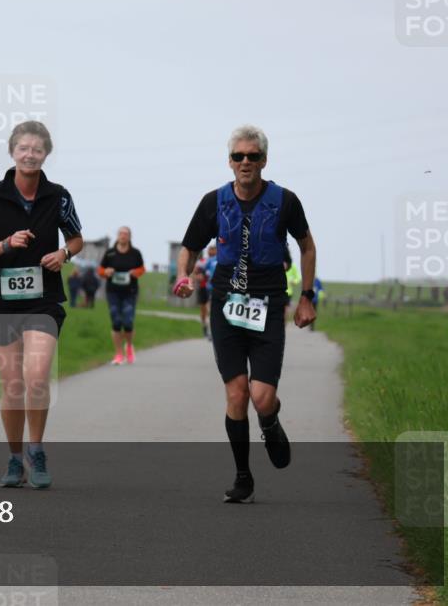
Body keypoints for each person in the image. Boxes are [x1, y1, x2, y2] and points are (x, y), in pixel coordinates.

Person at [172, 124, 316, 504]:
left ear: (264, 160)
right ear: (230, 162)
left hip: (268, 305)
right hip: (226, 305)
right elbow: (188, 246)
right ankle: (243, 477)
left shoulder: (285, 201)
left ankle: (269, 421)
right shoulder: (213, 202)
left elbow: (307, 246)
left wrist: (306, 297)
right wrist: (183, 275)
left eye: (253, 156)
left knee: (262, 397)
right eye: (239, 156)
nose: (246, 162)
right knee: (237, 394)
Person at [0, 121, 83, 489]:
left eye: (37, 149)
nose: (30, 154)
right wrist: (5, 244)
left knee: (36, 376)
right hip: (0, 301)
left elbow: (77, 239)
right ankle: (15, 459)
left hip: (43, 301)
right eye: (23, 148)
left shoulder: (59, 195)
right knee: (13, 385)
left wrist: (63, 253)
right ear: (12, 151)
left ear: (46, 153)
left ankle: (36, 449)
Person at [98, 226, 145, 364]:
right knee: (116, 321)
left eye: (126, 234)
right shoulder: (110, 253)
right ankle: (118, 354)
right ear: (117, 236)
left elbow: (142, 269)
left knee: (128, 321)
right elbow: (100, 270)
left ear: (130, 237)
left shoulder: (135, 253)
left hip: (130, 292)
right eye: (121, 234)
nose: (123, 236)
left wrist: (134, 273)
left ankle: (129, 346)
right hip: (113, 291)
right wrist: (106, 272)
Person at [195, 245, 217, 340]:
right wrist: (198, 276)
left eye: (213, 250)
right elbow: (197, 271)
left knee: (211, 309)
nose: (211, 252)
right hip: (204, 288)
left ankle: (211, 331)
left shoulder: (219, 260)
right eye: (209, 250)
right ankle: (205, 327)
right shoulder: (204, 261)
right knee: (203, 309)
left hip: (213, 288)